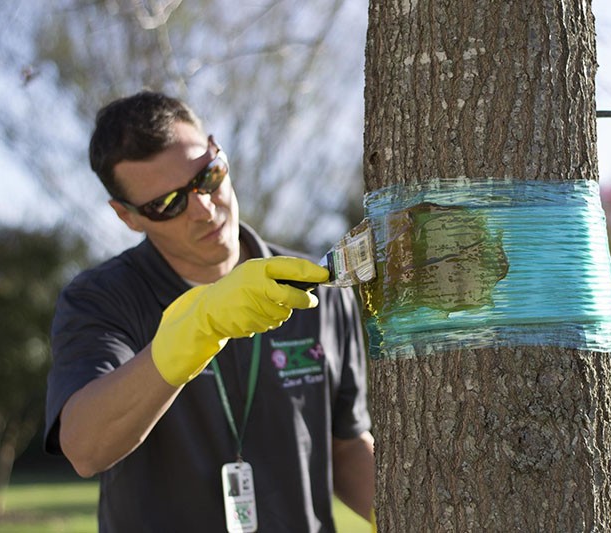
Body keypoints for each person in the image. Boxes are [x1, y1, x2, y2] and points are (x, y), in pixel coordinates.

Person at [43, 91, 374, 532]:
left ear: (219, 152)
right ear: (127, 217)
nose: (202, 208)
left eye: (207, 177)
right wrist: (196, 329)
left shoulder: (316, 284)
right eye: (167, 204)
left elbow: (347, 449)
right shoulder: (100, 299)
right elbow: (84, 447)